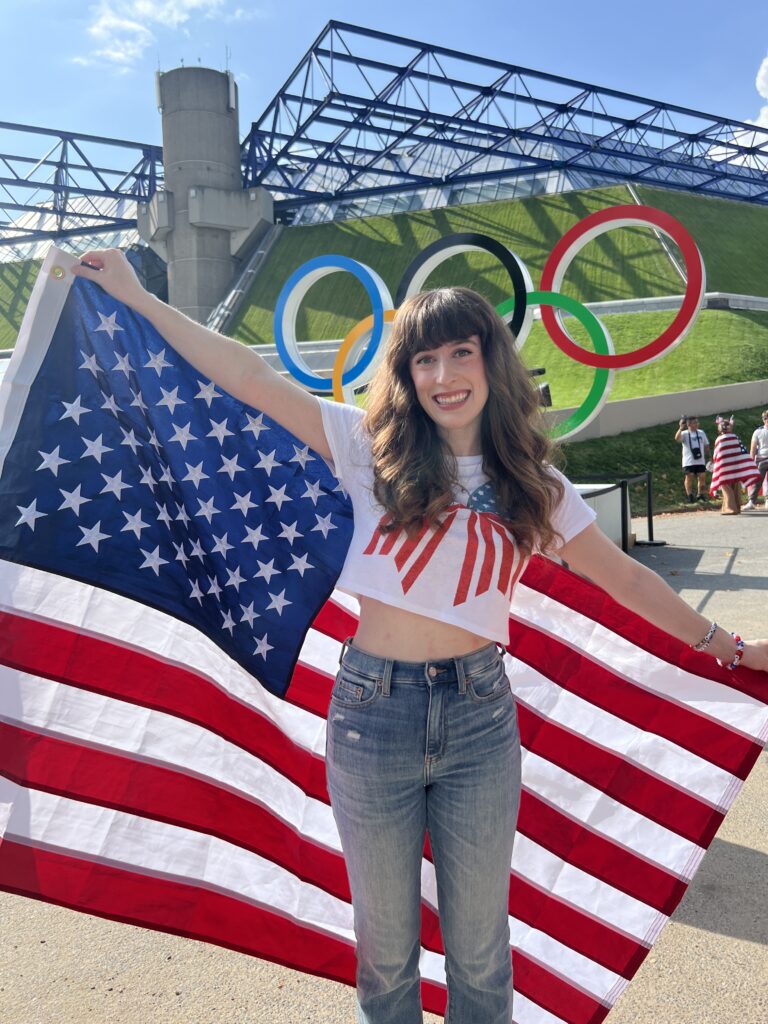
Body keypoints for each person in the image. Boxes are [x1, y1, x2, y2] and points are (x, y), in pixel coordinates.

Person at [71, 250, 768, 1024]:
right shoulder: (368, 450)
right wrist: (138, 300)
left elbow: (629, 581)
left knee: (479, 951)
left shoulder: (534, 484)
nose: (443, 375)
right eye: (424, 358)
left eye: (460, 352)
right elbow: (249, 377)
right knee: (386, 950)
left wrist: (729, 647)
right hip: (373, 714)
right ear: (407, 374)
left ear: (490, 362)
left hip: (479, 716)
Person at [709, 415, 760, 515]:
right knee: (735, 487)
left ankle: (730, 508)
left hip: (724, 468)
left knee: (726, 487)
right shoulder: (735, 437)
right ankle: (737, 507)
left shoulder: (719, 439)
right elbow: (742, 451)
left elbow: (716, 455)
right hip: (736, 467)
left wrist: (715, 464)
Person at [675, 415, 710, 503]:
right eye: (695, 422)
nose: (697, 424)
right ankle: (689, 495)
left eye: (697, 422)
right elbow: (677, 439)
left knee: (702, 477)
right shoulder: (684, 433)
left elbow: (706, 445)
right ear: (689, 424)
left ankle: (700, 494)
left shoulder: (701, 432)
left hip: (700, 460)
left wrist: (708, 456)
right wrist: (680, 428)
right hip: (688, 461)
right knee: (689, 477)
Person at [744, 409, 768, 510]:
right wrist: (751, 462)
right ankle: (751, 502)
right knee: (757, 481)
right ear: (765, 419)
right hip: (761, 459)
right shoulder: (758, 432)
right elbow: (753, 448)